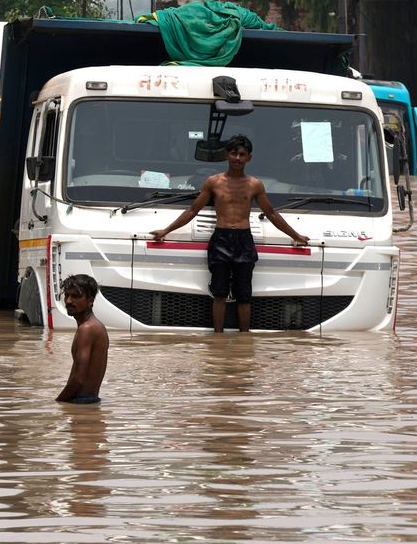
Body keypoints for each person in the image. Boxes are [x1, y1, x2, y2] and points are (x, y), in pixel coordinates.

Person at [148, 134, 309, 333]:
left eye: (242, 154)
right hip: (221, 239)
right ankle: (218, 337)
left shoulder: (254, 184)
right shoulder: (213, 182)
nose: (237, 158)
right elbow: (192, 210)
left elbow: (271, 213)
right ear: (226, 155)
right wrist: (166, 230)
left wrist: (295, 236)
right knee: (219, 293)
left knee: (244, 295)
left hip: (244, 240)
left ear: (249, 157)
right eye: (233, 153)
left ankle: (244, 339)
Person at [55, 274, 109, 404]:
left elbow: (78, 379)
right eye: (67, 295)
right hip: (88, 401)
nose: (68, 301)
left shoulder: (87, 329)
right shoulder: (95, 326)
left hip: (81, 401)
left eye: (75, 296)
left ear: (90, 301)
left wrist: (57, 403)